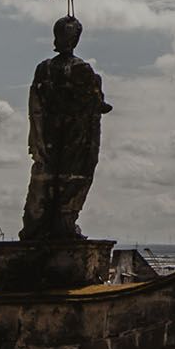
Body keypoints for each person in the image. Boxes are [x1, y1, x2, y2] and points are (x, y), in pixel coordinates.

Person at [20, 15, 110, 242]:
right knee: (74, 177)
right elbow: (96, 103)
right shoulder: (81, 69)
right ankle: (64, 222)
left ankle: (37, 223)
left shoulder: (44, 69)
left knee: (45, 177)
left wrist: (37, 135)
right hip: (76, 136)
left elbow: (35, 105)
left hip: (48, 133)